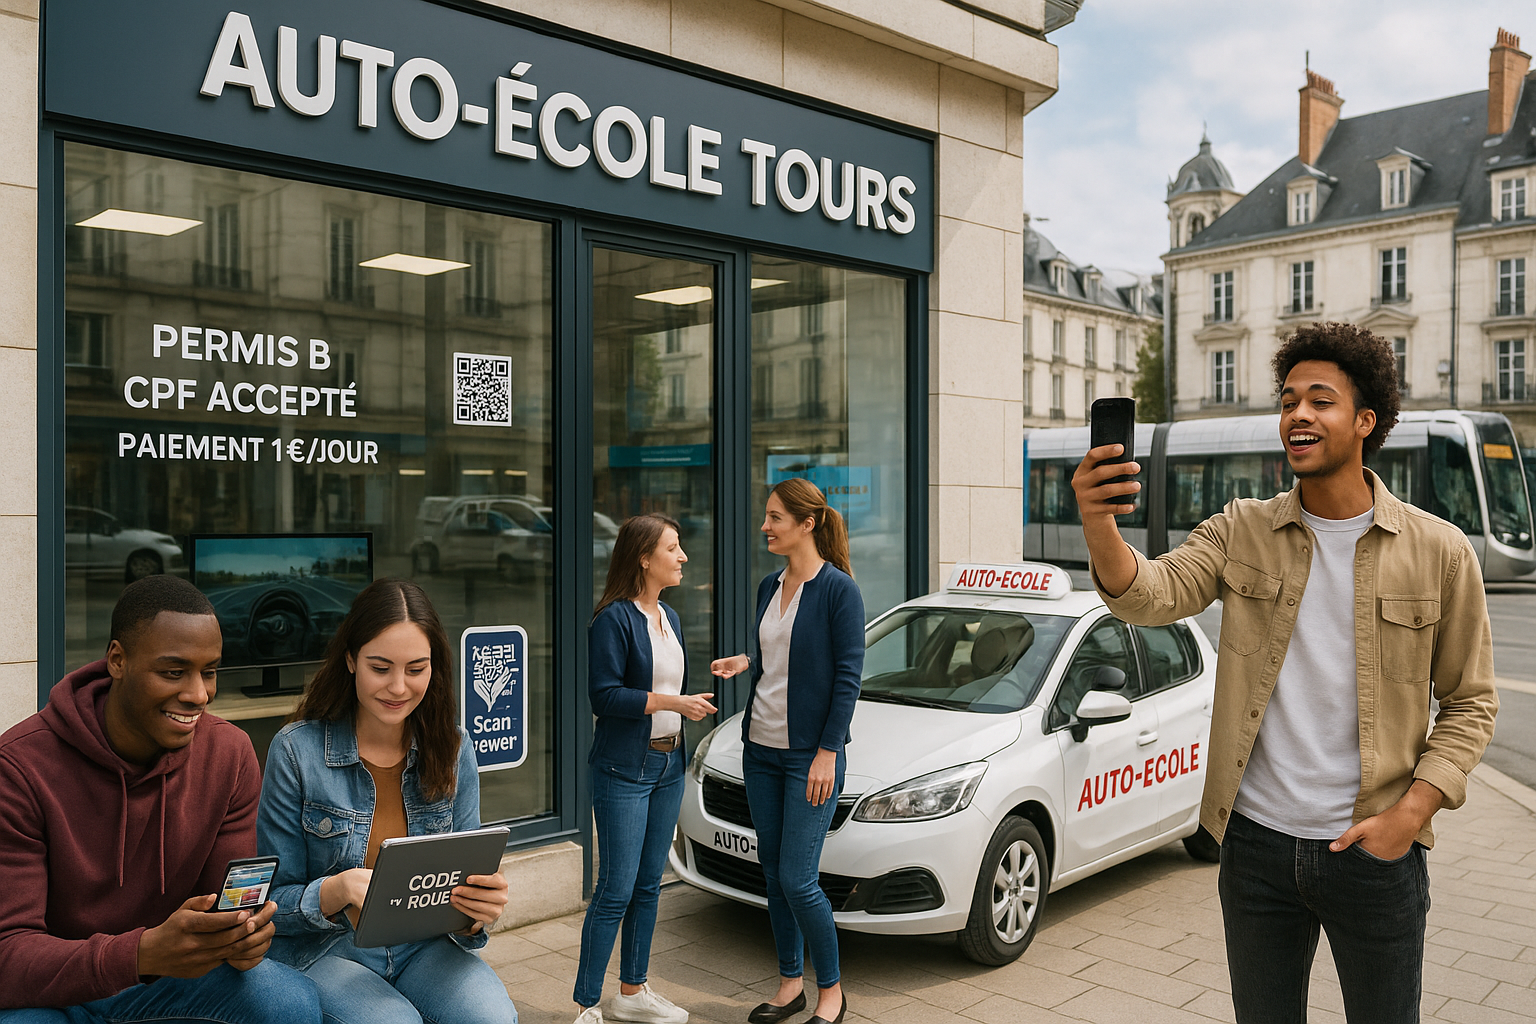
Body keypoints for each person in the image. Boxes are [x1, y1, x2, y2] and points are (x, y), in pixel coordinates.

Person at [1071, 322, 1498, 1024]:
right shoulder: (1239, 528)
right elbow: (1149, 594)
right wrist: (1099, 525)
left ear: (1365, 421)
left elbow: (1471, 703)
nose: (1298, 414)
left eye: (1320, 401)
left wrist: (1410, 816)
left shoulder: (1441, 552)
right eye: (1289, 400)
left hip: (1374, 851)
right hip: (1256, 849)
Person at [0, 575, 320, 1024]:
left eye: (209, 671)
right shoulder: (20, 767)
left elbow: (224, 909)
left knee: (288, 1002)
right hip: (52, 987)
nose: (198, 695)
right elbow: (8, 955)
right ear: (118, 660)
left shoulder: (228, 754)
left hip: (162, 977)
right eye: (173, 672)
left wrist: (242, 939)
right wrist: (139, 954)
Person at [256, 578, 517, 1024]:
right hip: (326, 949)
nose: (398, 687)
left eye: (416, 669)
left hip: (424, 947)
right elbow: (271, 905)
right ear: (350, 659)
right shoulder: (296, 752)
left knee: (491, 1018)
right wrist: (336, 891)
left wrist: (477, 912)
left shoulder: (454, 747)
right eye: (380, 668)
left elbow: (464, 881)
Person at [711, 479, 864, 1024]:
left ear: (807, 524)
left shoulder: (839, 590)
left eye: (775, 517)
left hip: (808, 758)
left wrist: (827, 751)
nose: (765, 526)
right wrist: (747, 661)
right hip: (761, 751)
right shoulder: (769, 586)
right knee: (773, 874)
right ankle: (789, 984)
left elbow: (847, 678)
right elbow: (785, 651)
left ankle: (832, 992)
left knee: (799, 879)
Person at [573, 514, 717, 1024]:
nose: (682, 557)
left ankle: (632, 993)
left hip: (668, 765)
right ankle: (587, 1005)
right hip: (623, 770)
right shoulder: (612, 619)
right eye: (672, 548)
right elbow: (605, 696)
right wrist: (675, 703)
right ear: (643, 558)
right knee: (615, 888)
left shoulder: (669, 616)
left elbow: (666, 686)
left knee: (649, 885)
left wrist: (682, 703)